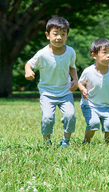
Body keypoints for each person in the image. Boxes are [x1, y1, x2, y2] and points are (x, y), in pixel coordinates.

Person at [25, 17, 78, 146]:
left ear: (67, 36)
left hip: (65, 91)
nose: (59, 37)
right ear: (48, 35)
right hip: (47, 93)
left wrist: (75, 80)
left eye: (63, 34)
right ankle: (46, 141)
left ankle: (66, 140)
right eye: (55, 34)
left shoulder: (70, 51)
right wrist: (28, 71)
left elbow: (72, 66)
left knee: (70, 116)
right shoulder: (42, 54)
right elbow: (29, 64)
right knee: (47, 118)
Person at [78, 38, 109, 144]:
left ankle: (108, 144)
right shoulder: (88, 71)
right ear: (94, 55)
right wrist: (83, 89)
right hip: (90, 105)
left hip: (105, 106)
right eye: (105, 52)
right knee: (93, 123)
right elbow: (80, 83)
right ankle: (86, 142)